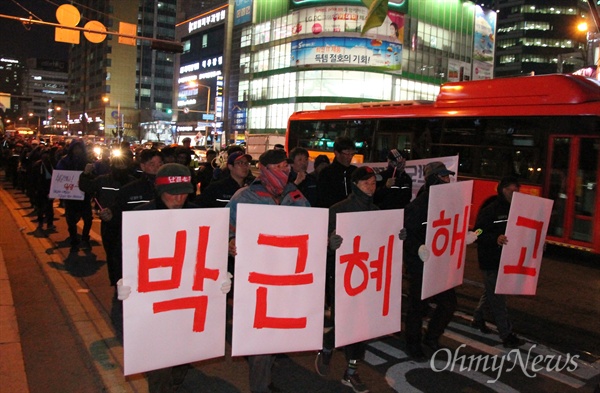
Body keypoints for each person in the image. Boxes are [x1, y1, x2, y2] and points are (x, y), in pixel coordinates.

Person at [117, 163, 232, 393]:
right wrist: (124, 282)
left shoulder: (200, 216)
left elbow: (209, 252)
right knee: (158, 365)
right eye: (172, 192)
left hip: (186, 302)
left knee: (182, 357)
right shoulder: (140, 217)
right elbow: (126, 255)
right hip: (154, 302)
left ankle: (177, 379)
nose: (179, 199)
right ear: (159, 191)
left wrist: (219, 277)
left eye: (184, 193)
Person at [227, 149, 309, 393]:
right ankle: (260, 386)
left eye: (286, 167)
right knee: (261, 335)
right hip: (256, 279)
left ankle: (265, 377)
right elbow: (226, 228)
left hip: (286, 277)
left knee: (277, 333)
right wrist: (230, 241)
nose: (285, 171)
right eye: (279, 167)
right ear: (264, 169)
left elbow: (310, 228)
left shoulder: (295, 196)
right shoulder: (245, 197)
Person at [315, 166, 380, 393]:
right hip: (342, 276)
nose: (371, 188)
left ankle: (346, 367)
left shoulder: (378, 211)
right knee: (348, 322)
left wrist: (396, 236)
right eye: (366, 183)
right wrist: (331, 244)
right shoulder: (338, 210)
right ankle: (332, 349)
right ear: (355, 185)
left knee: (361, 324)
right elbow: (321, 243)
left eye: (373, 183)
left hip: (368, 276)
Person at [403, 161, 468, 361]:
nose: (448, 181)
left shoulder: (449, 204)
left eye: (448, 177)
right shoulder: (418, 206)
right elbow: (406, 235)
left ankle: (431, 336)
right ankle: (413, 344)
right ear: (433, 180)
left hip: (441, 265)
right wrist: (418, 248)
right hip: (421, 266)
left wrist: (465, 235)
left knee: (448, 304)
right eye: (443, 177)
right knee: (418, 307)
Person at [471, 176, 525, 348]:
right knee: (498, 299)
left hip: (505, 259)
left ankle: (478, 318)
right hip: (490, 259)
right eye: (512, 190)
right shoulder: (490, 210)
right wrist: (495, 238)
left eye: (517, 191)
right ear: (503, 190)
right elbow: (477, 232)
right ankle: (506, 335)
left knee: (492, 292)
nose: (516, 194)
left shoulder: (515, 210)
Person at [79, 153, 136, 287]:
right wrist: (85, 174)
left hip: (129, 224)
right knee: (112, 254)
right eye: (118, 164)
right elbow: (86, 187)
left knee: (129, 254)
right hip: (109, 223)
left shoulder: (134, 182)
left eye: (124, 164)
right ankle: (116, 282)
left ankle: (129, 280)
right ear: (113, 165)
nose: (121, 167)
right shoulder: (102, 180)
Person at [56, 140, 93, 252]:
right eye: (75, 148)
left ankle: (85, 237)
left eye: (79, 148)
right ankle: (73, 238)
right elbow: (59, 175)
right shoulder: (65, 161)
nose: (77, 151)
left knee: (88, 218)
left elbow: (94, 176)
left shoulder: (87, 161)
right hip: (70, 195)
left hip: (84, 195)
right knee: (71, 219)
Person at [317, 136, 357, 208]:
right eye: (347, 154)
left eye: (352, 154)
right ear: (337, 153)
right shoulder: (326, 173)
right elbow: (322, 199)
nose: (350, 157)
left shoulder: (355, 171)